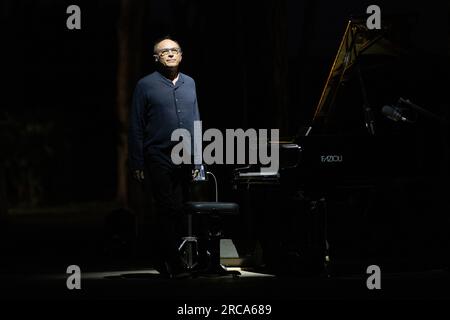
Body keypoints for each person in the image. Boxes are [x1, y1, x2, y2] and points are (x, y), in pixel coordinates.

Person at [128, 36, 201, 278]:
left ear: (181, 55)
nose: (170, 54)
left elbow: (196, 120)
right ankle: (173, 263)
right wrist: (137, 161)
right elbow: (136, 125)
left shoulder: (190, 83)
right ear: (156, 58)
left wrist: (199, 158)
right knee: (166, 207)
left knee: (180, 209)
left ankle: (167, 258)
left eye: (174, 50)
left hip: (185, 156)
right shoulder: (145, 85)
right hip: (157, 155)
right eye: (164, 51)